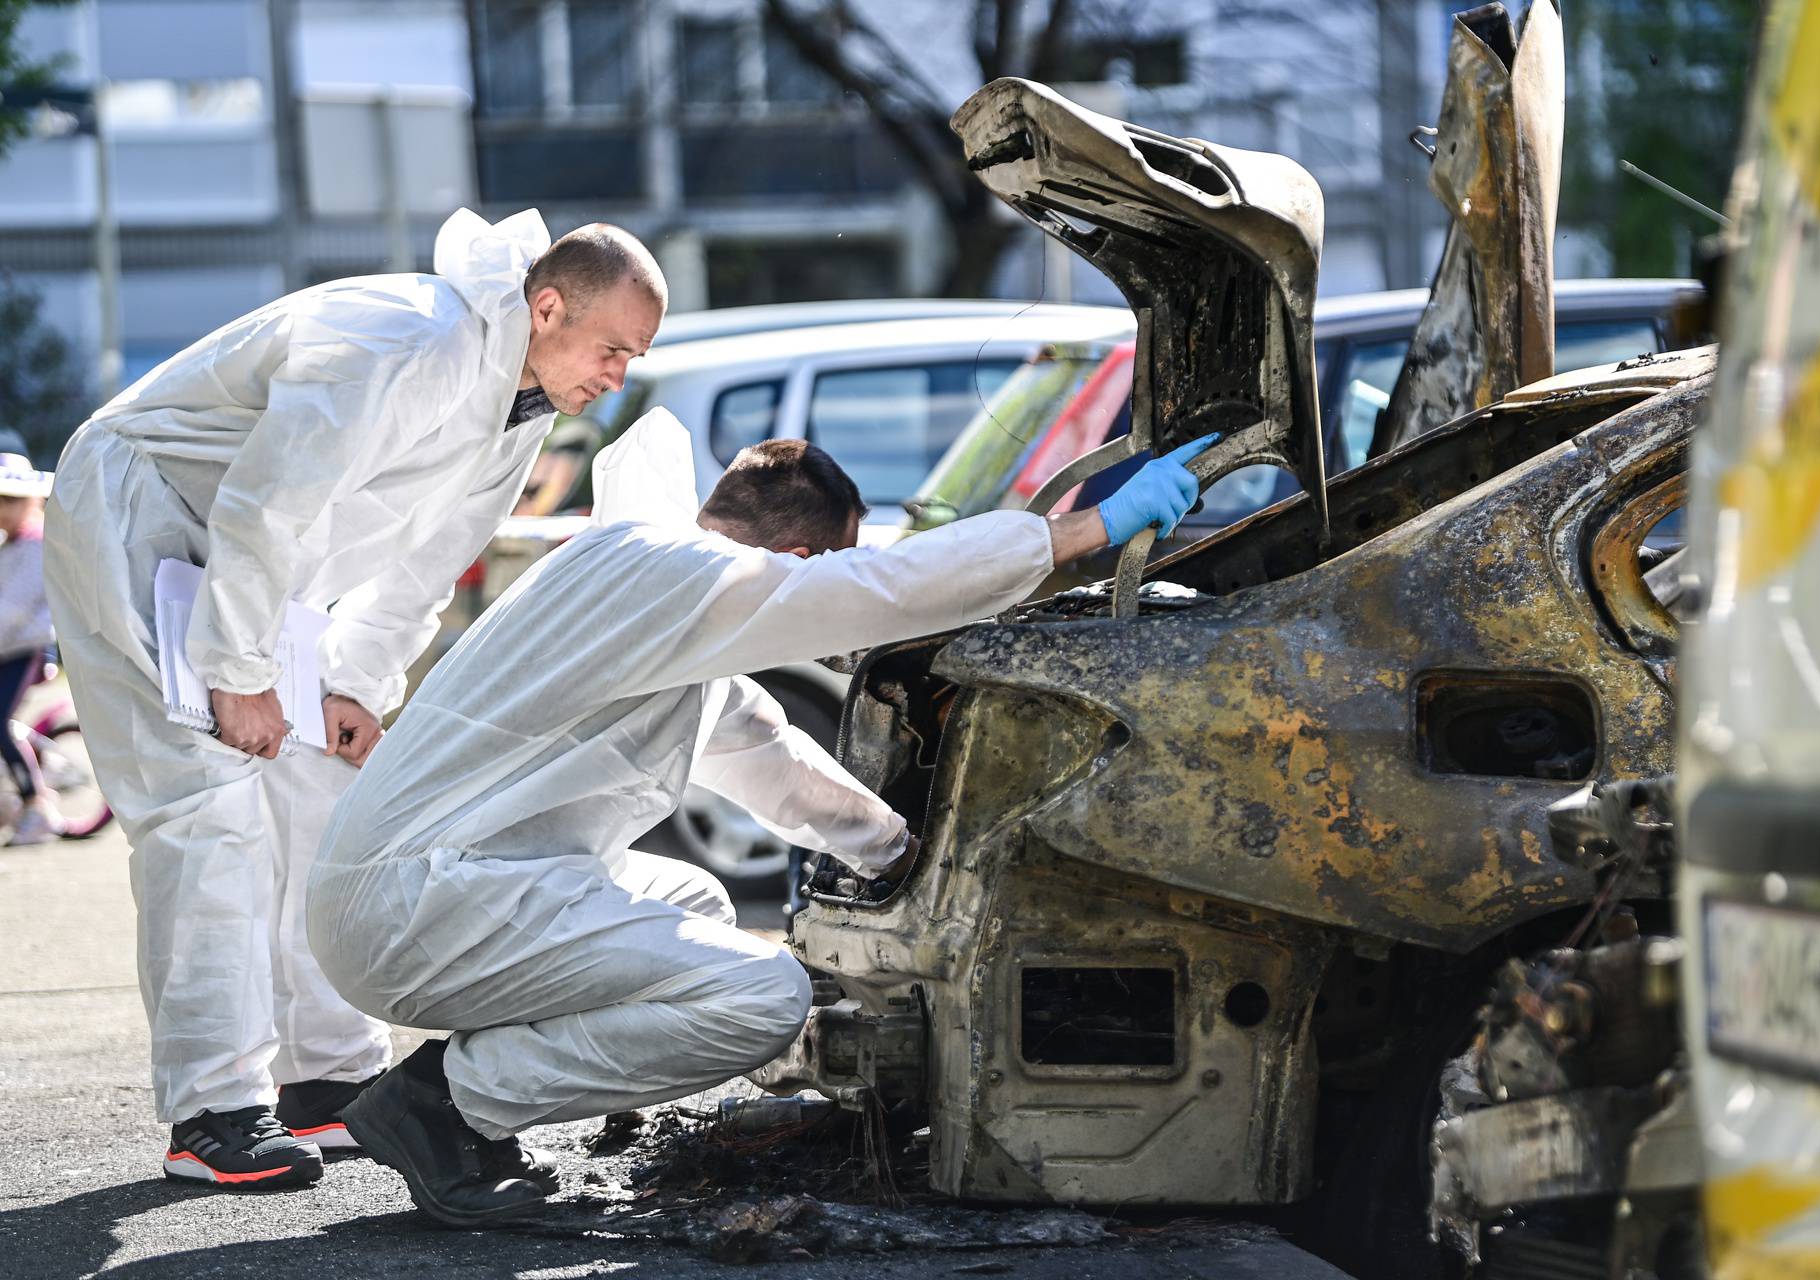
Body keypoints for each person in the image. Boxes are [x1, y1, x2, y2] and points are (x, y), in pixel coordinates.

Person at [306, 419, 1215, 1227]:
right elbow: (883, 585)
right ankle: (448, 1104)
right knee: (764, 1000)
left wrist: (899, 852)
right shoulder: (661, 578)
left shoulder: (669, 608)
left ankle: (474, 1100)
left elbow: (769, 760)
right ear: (800, 560)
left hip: (433, 887)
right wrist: (1079, 533)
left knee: (695, 897)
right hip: (411, 907)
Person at [42, 208, 668, 1189]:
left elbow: (423, 566)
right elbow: (268, 498)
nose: (620, 374)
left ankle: (325, 1079)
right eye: (614, 348)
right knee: (207, 812)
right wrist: (238, 669)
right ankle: (213, 1110)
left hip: (257, 568)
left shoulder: (517, 404)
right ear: (548, 308)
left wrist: (351, 689)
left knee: (320, 799)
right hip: (144, 512)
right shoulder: (407, 336)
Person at [0, 453, 61, 846]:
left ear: (33, 501)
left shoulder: (36, 546)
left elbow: (12, 611)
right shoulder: (9, 545)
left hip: (27, 649)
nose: (2, 508)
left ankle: (37, 805)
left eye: (10, 499)